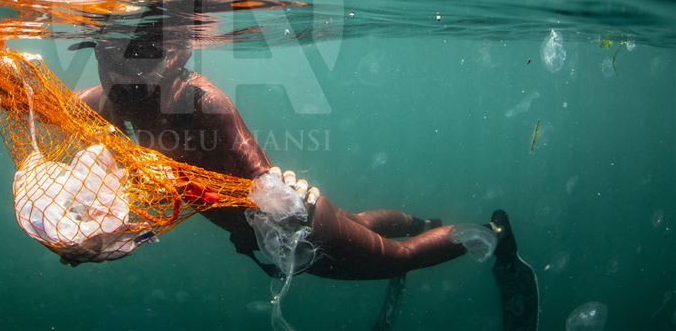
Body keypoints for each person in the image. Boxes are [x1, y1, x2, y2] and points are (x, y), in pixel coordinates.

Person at [75, 19, 538, 328]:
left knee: (397, 259)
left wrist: (280, 210)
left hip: (297, 227)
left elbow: (258, 172)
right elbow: (54, 110)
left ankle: (495, 236)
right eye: (107, 59)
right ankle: (422, 224)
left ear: (171, 59)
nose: (119, 77)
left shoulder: (203, 103)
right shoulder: (114, 99)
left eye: (132, 65)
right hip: (268, 233)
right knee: (358, 223)